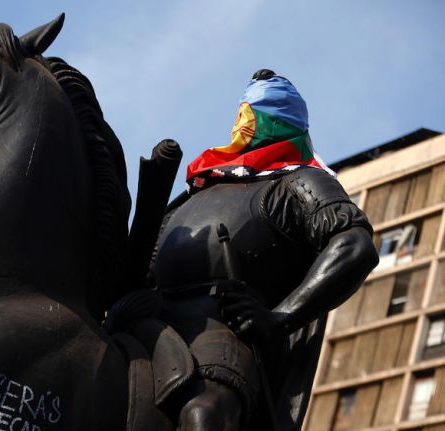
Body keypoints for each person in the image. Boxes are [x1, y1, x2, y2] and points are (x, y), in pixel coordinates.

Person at [151, 69, 379, 430]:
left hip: (222, 329)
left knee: (205, 413)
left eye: (250, 116)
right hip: (148, 322)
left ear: (274, 121)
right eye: (239, 114)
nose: (239, 125)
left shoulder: (299, 181)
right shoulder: (195, 194)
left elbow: (354, 246)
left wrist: (279, 318)